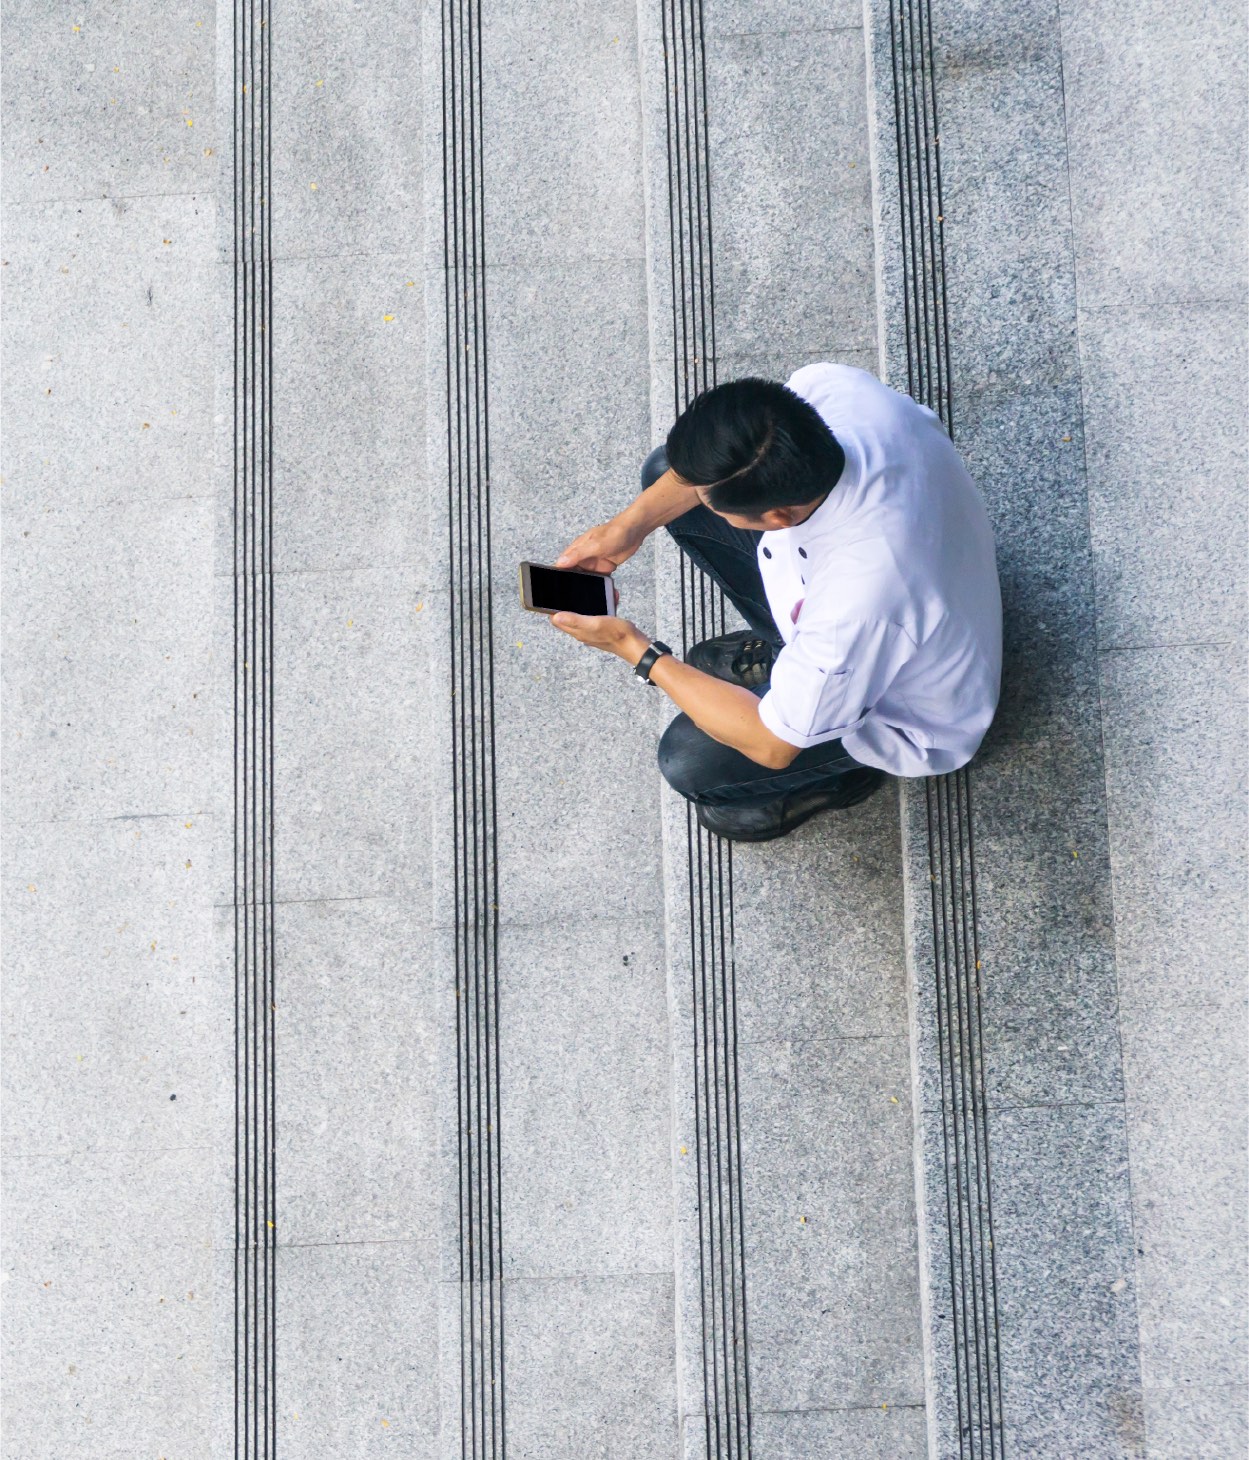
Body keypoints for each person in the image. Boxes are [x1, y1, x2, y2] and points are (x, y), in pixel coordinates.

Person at [550, 362, 1003, 842]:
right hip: (916, 582)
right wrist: (629, 526)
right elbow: (690, 478)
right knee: (665, 472)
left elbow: (772, 744)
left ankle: (840, 777)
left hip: (901, 709)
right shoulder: (832, 389)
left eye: (712, 502)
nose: (698, 498)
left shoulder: (859, 603)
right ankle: (786, 655)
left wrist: (634, 647)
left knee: (689, 760)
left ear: (777, 515)